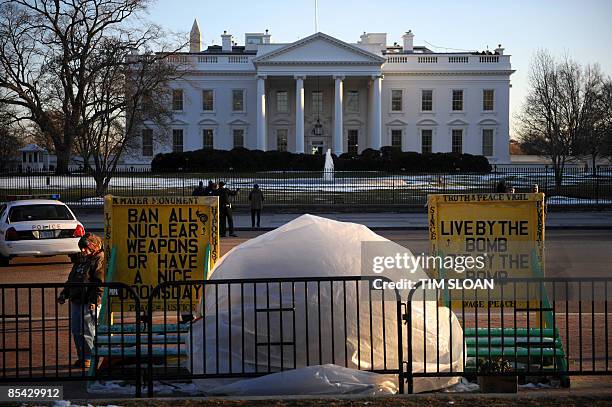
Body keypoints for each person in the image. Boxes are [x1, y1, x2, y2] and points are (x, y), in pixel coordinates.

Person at [58, 233, 105, 369]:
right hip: (77, 299)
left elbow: (100, 282)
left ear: (93, 246)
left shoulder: (99, 259)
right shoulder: (81, 260)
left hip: (89, 301)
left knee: (88, 331)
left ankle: (90, 358)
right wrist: (64, 293)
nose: (83, 250)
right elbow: (72, 278)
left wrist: (95, 299)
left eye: (85, 247)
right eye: (82, 248)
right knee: (77, 330)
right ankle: (82, 357)